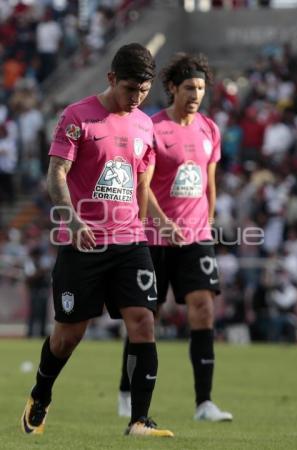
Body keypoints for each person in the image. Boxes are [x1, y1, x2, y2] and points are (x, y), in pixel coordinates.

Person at [21, 43, 173, 438]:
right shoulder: (77, 117)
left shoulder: (145, 124)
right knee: (68, 336)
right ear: (110, 79)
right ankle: (41, 393)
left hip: (130, 242)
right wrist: (69, 219)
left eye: (143, 90)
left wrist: (140, 228)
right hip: (83, 242)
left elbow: (141, 181)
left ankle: (139, 420)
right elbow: (56, 174)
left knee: (143, 321)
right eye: (129, 89)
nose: (136, 98)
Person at [118, 52, 233, 422]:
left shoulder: (210, 130)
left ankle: (204, 403)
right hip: (153, 237)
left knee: (203, 308)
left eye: (200, 87)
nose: (196, 93)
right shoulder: (153, 128)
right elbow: (142, 184)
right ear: (171, 88)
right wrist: (163, 221)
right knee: (144, 316)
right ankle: (126, 390)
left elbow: (209, 186)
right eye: (189, 87)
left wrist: (207, 223)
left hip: (195, 236)